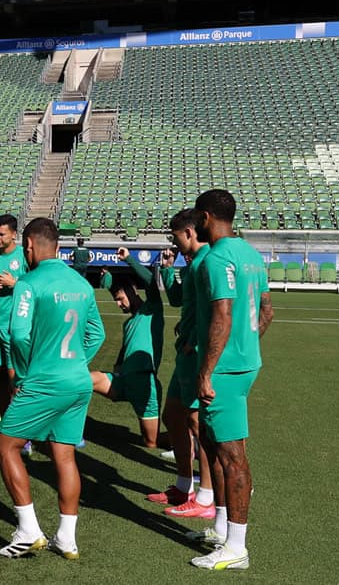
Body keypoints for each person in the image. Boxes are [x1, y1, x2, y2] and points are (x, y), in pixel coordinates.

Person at [0, 217, 104, 559]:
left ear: (28, 246)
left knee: (4, 445)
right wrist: (72, 364)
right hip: (77, 381)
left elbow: (18, 335)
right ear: (58, 246)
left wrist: (26, 374)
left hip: (43, 381)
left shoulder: (28, 284)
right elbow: (96, 334)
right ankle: (67, 539)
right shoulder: (82, 285)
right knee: (65, 455)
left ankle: (28, 531)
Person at [187, 189, 272, 571]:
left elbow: (222, 313)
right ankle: (222, 529)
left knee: (231, 455)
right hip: (243, 362)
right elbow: (267, 311)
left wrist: (207, 370)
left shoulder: (217, 257)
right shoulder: (251, 254)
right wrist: (246, 346)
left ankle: (236, 547)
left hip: (224, 369)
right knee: (211, 442)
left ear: (205, 218)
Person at [151, 209, 216, 520]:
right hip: (184, 353)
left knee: (195, 421)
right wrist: (167, 269)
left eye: (175, 237)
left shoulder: (206, 263)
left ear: (190, 232)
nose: (173, 244)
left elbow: (216, 310)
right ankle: (182, 485)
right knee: (173, 415)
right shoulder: (191, 265)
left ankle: (205, 496)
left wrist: (195, 339)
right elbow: (179, 301)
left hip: (194, 354)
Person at [88, 246, 166, 448]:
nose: (118, 304)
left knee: (151, 442)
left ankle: (189, 441)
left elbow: (150, 281)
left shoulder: (151, 311)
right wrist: (118, 363)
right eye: (116, 300)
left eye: (120, 299)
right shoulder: (128, 322)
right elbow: (126, 347)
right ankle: (65, 428)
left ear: (132, 293)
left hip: (144, 384)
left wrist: (129, 259)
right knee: (84, 380)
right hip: (123, 381)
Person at [0, 214, 27, 431]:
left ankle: (21, 428)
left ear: (13, 235)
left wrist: (15, 283)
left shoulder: (25, 257)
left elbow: (36, 289)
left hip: (15, 327)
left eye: (1, 234)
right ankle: (5, 422)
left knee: (14, 379)